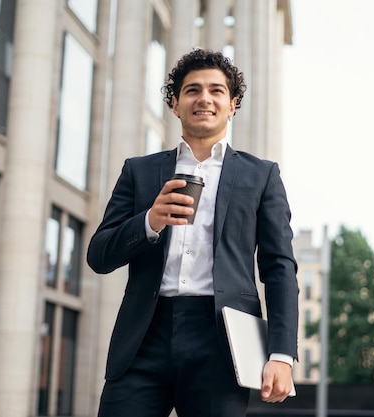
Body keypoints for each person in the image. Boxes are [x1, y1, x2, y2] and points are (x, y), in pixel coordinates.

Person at [87, 49, 299, 417]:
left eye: (217, 91)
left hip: (222, 339)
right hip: (143, 336)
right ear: (175, 104)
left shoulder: (261, 175)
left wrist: (281, 354)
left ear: (232, 104)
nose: (205, 98)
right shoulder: (138, 172)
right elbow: (99, 255)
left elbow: (279, 268)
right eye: (193, 90)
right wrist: (149, 221)